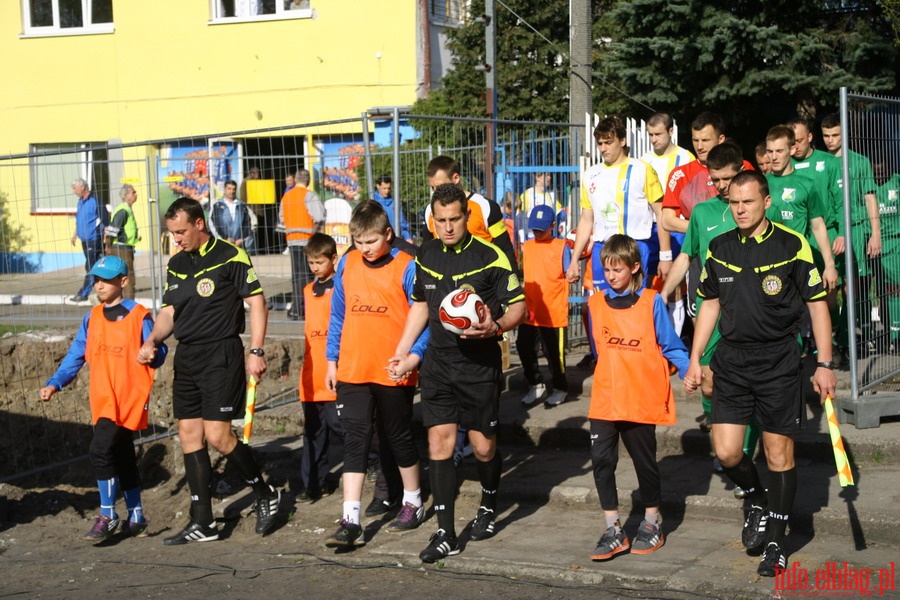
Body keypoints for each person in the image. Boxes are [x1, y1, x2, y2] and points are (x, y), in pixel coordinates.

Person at [684, 171, 837, 577]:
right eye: (734, 202)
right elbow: (709, 305)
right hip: (731, 362)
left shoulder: (792, 244)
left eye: (748, 202)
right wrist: (696, 357)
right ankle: (755, 498)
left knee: (777, 454)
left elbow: (817, 305)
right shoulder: (718, 247)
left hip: (779, 362)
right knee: (728, 452)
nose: (740, 209)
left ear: (766, 202)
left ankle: (776, 541)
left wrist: (824, 363)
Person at [389, 183, 526, 564]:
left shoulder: (492, 256)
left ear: (467, 216)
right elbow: (419, 305)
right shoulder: (426, 253)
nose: (448, 227)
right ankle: (445, 532)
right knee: (439, 446)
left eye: (454, 219)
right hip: (438, 366)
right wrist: (402, 351)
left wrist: (495, 327)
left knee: (483, 447)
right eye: (441, 220)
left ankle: (488, 502)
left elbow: (519, 308)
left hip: (479, 366)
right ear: (432, 221)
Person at [138, 197, 280, 545]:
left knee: (218, 436)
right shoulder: (176, 264)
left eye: (182, 231)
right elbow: (170, 311)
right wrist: (153, 339)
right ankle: (203, 522)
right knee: (188, 435)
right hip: (187, 357)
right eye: (172, 233)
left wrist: (256, 350)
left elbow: (258, 304)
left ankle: (265, 493)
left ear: (199, 223)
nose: (178, 239)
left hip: (222, 353)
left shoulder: (231, 256)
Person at [323, 200, 429, 548]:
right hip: (353, 368)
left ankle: (412, 500)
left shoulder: (407, 265)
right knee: (354, 438)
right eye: (357, 242)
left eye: (370, 241)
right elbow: (338, 315)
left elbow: (424, 317)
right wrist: (331, 360)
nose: (364, 249)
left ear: (387, 234)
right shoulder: (348, 263)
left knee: (397, 436)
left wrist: (414, 356)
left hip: (391, 369)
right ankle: (350, 519)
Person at [40, 255, 167, 540]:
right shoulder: (92, 317)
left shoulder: (138, 315)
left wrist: (152, 353)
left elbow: (158, 350)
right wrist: (55, 382)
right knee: (121, 455)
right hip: (103, 399)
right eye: (97, 280)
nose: (100, 285)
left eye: (107, 280)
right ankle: (136, 517)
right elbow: (76, 355)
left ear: (123, 282)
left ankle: (108, 514)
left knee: (99, 451)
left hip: (127, 398)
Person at [660, 143, 762, 495]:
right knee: (707, 382)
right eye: (715, 179)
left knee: (740, 387)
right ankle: (723, 436)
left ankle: (742, 454)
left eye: (727, 178)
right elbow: (687, 257)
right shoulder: (702, 213)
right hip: (710, 308)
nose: (721, 186)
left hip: (747, 312)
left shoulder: (751, 210)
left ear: (741, 171)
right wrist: (661, 297)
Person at [587, 234, 689, 561]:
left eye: (617, 269)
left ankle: (651, 521)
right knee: (602, 461)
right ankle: (613, 528)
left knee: (645, 463)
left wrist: (689, 371)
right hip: (605, 397)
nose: (611, 275)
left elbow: (671, 345)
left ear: (633, 268)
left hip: (640, 397)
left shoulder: (652, 301)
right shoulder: (595, 303)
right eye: (606, 269)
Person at [566, 115, 669, 291]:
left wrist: (666, 256)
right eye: (600, 144)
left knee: (633, 308)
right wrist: (574, 260)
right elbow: (586, 219)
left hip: (633, 247)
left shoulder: (641, 169)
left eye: (608, 142)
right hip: (602, 249)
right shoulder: (591, 174)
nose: (603, 148)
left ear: (622, 141)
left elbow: (661, 214)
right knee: (602, 308)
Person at [820, 113, 884, 356]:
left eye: (835, 135)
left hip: (856, 229)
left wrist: (875, 233)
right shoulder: (822, 162)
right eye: (826, 135)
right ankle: (833, 335)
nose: (830, 140)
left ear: (844, 134)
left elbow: (870, 197)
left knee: (854, 287)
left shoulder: (860, 162)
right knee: (829, 287)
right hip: (830, 230)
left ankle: (854, 337)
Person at [297, 232, 344, 502]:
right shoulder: (307, 291)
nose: (315, 267)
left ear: (333, 259)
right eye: (311, 262)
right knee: (313, 433)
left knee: (341, 426)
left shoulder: (342, 287)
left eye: (319, 262)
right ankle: (313, 484)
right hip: (311, 375)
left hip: (333, 371)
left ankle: (373, 461)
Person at [765, 125, 838, 292]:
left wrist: (829, 265)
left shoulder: (807, 184)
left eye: (779, 151)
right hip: (766, 262)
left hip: (797, 262)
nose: (773, 157)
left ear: (792, 149)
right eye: (770, 151)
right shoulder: (760, 183)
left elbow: (818, 226)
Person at [518, 205, 572, 407]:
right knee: (524, 347)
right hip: (530, 310)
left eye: (542, 228)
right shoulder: (528, 246)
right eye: (535, 229)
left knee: (554, 356)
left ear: (552, 226)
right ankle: (535, 384)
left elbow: (569, 272)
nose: (538, 232)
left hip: (553, 312)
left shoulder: (561, 246)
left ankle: (560, 388)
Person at [423, 155, 518, 268]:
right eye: (432, 188)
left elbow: (506, 250)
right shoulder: (430, 211)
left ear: (456, 178)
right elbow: (427, 253)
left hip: (484, 281)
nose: (436, 192)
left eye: (439, 187)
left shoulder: (485, 207)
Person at [279, 168, 326, 320]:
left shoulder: (286, 196)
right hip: (307, 240)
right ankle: (307, 307)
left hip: (292, 240)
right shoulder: (309, 195)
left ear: (296, 179)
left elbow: (281, 219)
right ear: (308, 180)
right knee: (308, 276)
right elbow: (319, 216)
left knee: (296, 276)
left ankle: (297, 309)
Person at [71, 178, 109, 303]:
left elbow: (104, 219)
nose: (74, 191)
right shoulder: (80, 202)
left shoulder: (95, 200)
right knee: (97, 266)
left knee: (90, 266)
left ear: (83, 187)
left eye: (75, 188)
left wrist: (105, 236)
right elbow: (79, 219)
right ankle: (105, 290)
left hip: (93, 239)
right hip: (84, 239)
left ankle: (84, 293)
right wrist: (75, 234)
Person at [639, 113, 695, 189]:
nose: (653, 140)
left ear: (670, 131)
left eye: (658, 134)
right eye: (651, 135)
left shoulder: (686, 158)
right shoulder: (644, 160)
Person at [104, 184, 140, 300]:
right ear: (126, 196)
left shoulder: (127, 209)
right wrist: (108, 246)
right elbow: (113, 230)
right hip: (121, 249)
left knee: (119, 277)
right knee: (128, 279)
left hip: (125, 247)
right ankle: (129, 307)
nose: (135, 194)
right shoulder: (123, 211)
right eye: (133, 192)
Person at [208, 180, 255, 254]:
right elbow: (213, 225)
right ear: (224, 189)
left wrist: (242, 239)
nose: (232, 191)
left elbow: (248, 223)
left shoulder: (242, 206)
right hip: (222, 246)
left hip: (239, 245)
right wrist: (224, 238)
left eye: (234, 189)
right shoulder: (217, 205)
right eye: (229, 188)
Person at [517, 172, 560, 242]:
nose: (549, 178)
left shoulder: (550, 195)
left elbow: (559, 212)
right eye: (546, 175)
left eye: (549, 175)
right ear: (537, 177)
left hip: (548, 238)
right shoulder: (527, 195)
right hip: (531, 237)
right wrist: (522, 239)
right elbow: (519, 218)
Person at [373, 175, 413, 243]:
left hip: (394, 239)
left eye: (389, 188)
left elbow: (402, 222)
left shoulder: (395, 203)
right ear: (378, 186)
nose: (387, 191)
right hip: (378, 240)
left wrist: (408, 237)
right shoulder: (373, 202)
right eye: (384, 188)